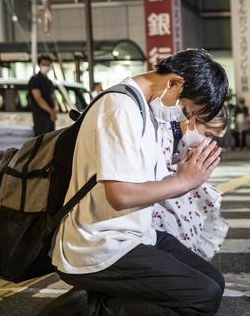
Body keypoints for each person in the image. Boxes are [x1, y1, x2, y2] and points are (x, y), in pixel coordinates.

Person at [42, 49, 228, 316]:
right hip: (98, 242)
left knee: (213, 282)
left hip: (134, 234)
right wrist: (184, 181)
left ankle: (99, 299)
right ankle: (88, 310)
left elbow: (144, 182)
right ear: (174, 82)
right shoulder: (120, 108)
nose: (185, 119)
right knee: (202, 296)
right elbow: (121, 196)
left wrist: (185, 172)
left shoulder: (144, 109)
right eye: (188, 110)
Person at [153, 107, 229, 261]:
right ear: (193, 118)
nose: (207, 141)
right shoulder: (163, 129)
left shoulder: (178, 136)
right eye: (207, 134)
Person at [27, 55, 58, 136]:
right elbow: (38, 98)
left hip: (50, 118)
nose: (46, 67)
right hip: (40, 117)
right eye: (44, 64)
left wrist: (54, 110)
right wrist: (50, 111)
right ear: (39, 65)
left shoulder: (49, 82)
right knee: (42, 142)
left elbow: (52, 97)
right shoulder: (35, 80)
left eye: (48, 64)